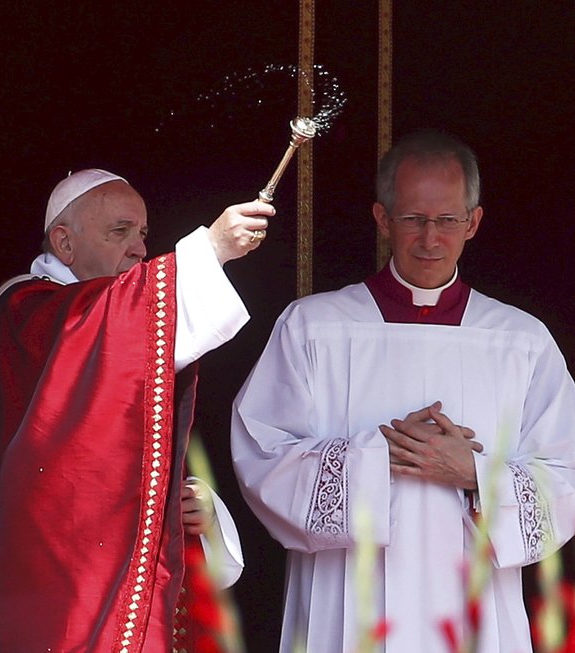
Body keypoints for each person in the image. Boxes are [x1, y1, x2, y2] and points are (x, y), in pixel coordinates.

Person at [231, 130, 575, 653]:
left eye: (447, 220)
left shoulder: (520, 341)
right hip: (348, 591)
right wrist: (375, 457)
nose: (430, 238)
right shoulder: (315, 327)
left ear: (474, 222)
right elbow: (262, 454)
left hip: (472, 602)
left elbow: (566, 476)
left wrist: (475, 474)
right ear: (382, 218)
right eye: (413, 219)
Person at [0, 169, 274, 651]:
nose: (139, 249)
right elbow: (105, 329)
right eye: (119, 232)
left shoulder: (114, 316)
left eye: (143, 234)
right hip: (49, 584)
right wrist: (209, 249)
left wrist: (196, 508)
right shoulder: (26, 311)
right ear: (63, 243)